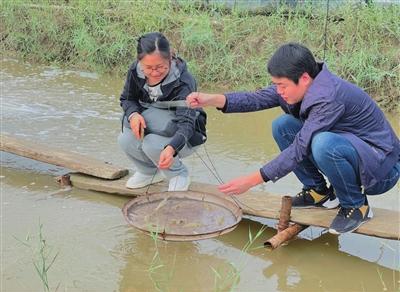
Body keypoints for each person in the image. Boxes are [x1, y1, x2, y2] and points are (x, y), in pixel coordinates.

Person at [186, 42, 399, 234]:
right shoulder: (300, 86)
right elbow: (255, 98)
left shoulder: (328, 98)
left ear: (304, 78)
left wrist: (250, 180)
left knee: (323, 143)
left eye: (282, 85)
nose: (279, 91)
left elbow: (300, 148)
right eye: (276, 85)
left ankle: (356, 205)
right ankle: (318, 192)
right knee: (283, 126)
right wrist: (211, 99)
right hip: (351, 150)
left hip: (382, 169)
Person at [118, 32, 206, 192]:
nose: (154, 72)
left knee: (151, 144)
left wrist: (171, 148)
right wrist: (134, 115)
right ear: (140, 62)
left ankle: (178, 174)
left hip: (185, 135)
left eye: (160, 67)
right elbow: (127, 99)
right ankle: (148, 171)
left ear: (170, 60)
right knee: (125, 139)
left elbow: (187, 124)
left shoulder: (184, 81)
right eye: (148, 68)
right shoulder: (135, 71)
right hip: (153, 124)